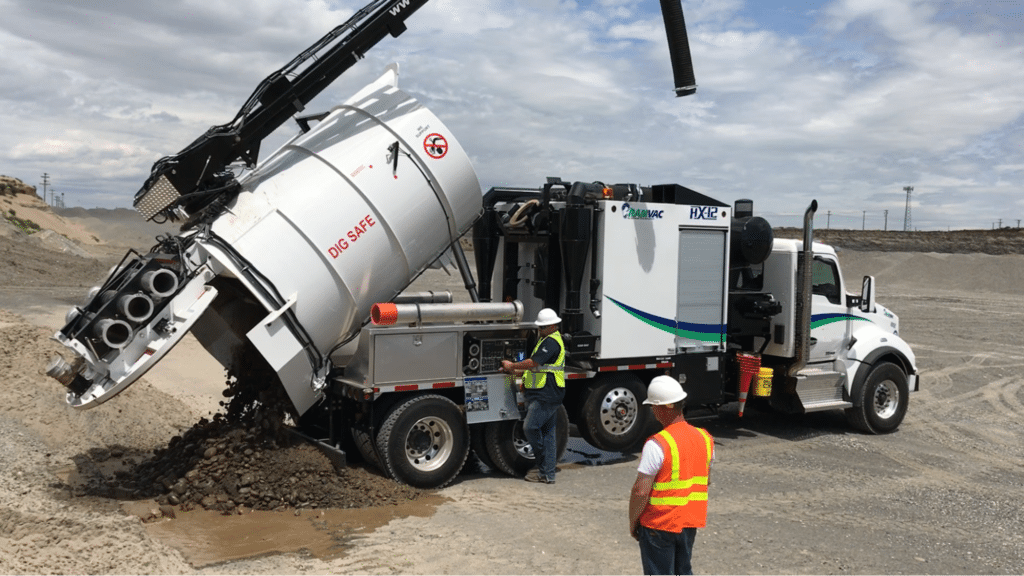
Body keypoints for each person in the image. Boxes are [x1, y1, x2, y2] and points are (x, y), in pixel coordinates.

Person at [628, 375, 714, 575]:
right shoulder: (705, 438)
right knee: (683, 571)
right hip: (689, 522)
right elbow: (705, 480)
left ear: (666, 407)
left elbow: (641, 491)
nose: (652, 411)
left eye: (653, 406)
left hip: (658, 524)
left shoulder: (657, 444)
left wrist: (633, 521)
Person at [500, 308, 565, 484]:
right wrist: (523, 382)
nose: (540, 330)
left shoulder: (551, 342)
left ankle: (543, 467)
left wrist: (512, 366)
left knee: (530, 427)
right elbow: (537, 369)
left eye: (543, 327)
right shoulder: (545, 339)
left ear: (553, 326)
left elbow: (534, 363)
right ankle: (547, 474)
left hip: (546, 395)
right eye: (540, 327)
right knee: (548, 434)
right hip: (544, 393)